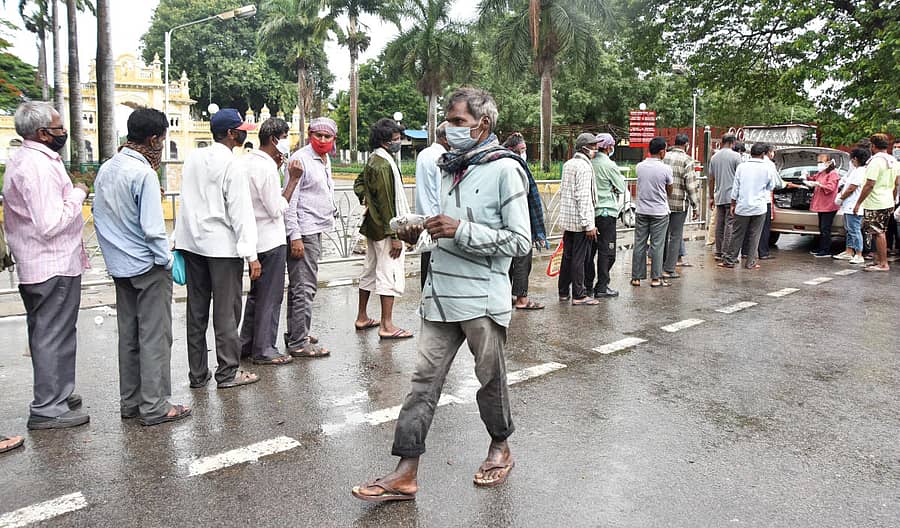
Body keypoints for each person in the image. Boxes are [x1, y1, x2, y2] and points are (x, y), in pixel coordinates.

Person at [351, 87, 531, 502]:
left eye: (458, 121)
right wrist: (418, 232)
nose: (449, 128)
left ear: (483, 124)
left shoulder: (505, 169)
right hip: (440, 295)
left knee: (490, 380)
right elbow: (442, 227)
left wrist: (460, 230)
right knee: (422, 385)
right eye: (448, 120)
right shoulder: (449, 166)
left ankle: (500, 447)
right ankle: (405, 472)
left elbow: (520, 241)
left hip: (482, 299)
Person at [92, 107, 191, 426]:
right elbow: (153, 230)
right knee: (155, 337)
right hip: (148, 267)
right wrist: (166, 261)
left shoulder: (108, 168)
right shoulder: (143, 173)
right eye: (162, 138)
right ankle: (155, 406)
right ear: (153, 139)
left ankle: (131, 402)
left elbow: (100, 216)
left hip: (120, 267)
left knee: (130, 336)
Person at [3, 101, 89, 430]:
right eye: (58, 127)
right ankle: (48, 406)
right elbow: (50, 223)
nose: (63, 132)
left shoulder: (28, 159)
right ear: (42, 133)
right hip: (50, 262)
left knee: (52, 332)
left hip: (44, 262)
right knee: (53, 334)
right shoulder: (37, 166)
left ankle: (58, 394)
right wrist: (78, 194)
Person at [174, 108, 261, 389]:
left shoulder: (193, 158)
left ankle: (198, 374)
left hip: (192, 243)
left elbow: (186, 201)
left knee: (196, 312)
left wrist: (179, 240)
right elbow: (240, 212)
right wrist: (251, 255)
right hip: (222, 248)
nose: (244, 134)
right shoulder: (233, 165)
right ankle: (227, 372)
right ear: (231, 134)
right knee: (226, 313)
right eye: (241, 130)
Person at [236, 118, 302, 364]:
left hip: (253, 237)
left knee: (256, 295)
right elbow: (276, 208)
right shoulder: (266, 168)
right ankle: (264, 349)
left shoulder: (247, 162)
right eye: (285, 137)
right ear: (274, 140)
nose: (287, 142)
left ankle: (247, 343)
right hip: (271, 239)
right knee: (270, 297)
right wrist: (292, 180)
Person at [284, 117, 339, 356]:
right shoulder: (300, 160)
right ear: (310, 135)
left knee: (301, 286)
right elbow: (291, 201)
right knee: (304, 288)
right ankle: (298, 342)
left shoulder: (324, 159)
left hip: (316, 228)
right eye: (319, 135)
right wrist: (295, 235)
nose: (323, 140)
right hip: (304, 231)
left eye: (327, 136)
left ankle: (296, 332)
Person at [353, 118, 412, 339]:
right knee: (389, 272)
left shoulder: (374, 159)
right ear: (385, 141)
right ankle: (387, 325)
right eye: (396, 139)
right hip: (386, 229)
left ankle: (362, 316)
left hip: (373, 226)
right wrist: (395, 235)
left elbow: (359, 184)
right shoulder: (384, 164)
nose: (399, 142)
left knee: (370, 270)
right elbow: (388, 203)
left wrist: (367, 199)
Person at [503, 132, 544, 310]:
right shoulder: (516, 165)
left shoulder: (499, 162)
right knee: (522, 258)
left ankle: (506, 296)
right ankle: (521, 299)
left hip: (503, 219)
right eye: (522, 149)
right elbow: (528, 195)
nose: (524, 153)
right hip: (518, 217)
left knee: (506, 260)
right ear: (512, 149)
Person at [718, 143, 775, 270]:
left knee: (737, 234)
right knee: (755, 235)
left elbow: (735, 188)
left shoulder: (742, 167)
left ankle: (729, 260)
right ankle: (751, 262)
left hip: (742, 206)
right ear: (763, 154)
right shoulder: (767, 168)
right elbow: (771, 186)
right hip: (759, 207)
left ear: (751, 153)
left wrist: (733, 204)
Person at [558, 133, 599, 305]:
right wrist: (589, 224)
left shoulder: (569, 164)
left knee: (567, 256)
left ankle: (563, 291)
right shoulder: (584, 167)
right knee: (579, 258)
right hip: (580, 221)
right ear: (585, 148)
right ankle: (579, 295)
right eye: (593, 146)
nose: (596, 149)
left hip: (568, 219)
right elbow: (583, 197)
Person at [585, 132, 625, 298]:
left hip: (590, 213)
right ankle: (602, 286)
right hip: (606, 213)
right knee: (607, 252)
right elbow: (621, 187)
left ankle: (587, 285)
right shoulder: (609, 165)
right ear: (609, 147)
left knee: (589, 252)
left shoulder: (588, 163)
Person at [631, 137, 673, 287]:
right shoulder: (666, 169)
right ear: (662, 152)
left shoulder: (640, 166)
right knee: (657, 245)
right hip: (659, 212)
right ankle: (656, 278)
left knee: (639, 243)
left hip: (641, 210)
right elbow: (669, 189)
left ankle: (636, 278)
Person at [854, 133, 898, 272]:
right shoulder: (892, 160)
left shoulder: (876, 161)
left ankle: (883, 263)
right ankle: (879, 260)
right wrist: (893, 199)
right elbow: (896, 183)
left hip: (875, 202)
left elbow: (869, 184)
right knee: (878, 231)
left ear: (873, 146)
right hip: (887, 200)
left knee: (878, 232)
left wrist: (858, 203)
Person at [414, 121, 449, 289]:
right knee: (438, 272)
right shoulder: (443, 158)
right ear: (446, 138)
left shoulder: (424, 154)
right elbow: (442, 192)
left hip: (425, 219)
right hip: (439, 220)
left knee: (426, 266)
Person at [662, 134, 699, 279]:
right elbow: (691, 185)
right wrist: (695, 206)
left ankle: (659, 266)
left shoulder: (664, 156)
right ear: (686, 144)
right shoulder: (687, 160)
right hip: (679, 203)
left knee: (662, 236)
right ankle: (669, 269)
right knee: (675, 236)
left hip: (662, 203)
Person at [833, 148, 870, 264]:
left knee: (854, 230)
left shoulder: (860, 171)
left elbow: (851, 188)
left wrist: (841, 198)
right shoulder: (856, 170)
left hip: (854, 205)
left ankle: (859, 254)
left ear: (855, 159)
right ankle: (848, 251)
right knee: (849, 230)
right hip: (849, 205)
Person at [708, 134, 742, 260]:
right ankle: (726, 252)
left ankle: (718, 252)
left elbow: (711, 179)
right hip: (732, 197)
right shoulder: (736, 156)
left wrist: (711, 196)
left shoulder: (714, 157)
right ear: (733, 142)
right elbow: (740, 177)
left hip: (719, 196)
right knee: (730, 225)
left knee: (719, 224)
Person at [805, 153, 841, 257]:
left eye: (821, 162)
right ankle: (821, 247)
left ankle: (825, 250)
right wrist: (806, 177)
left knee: (825, 228)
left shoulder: (833, 174)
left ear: (828, 162)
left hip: (829, 205)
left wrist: (819, 185)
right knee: (821, 227)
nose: (819, 164)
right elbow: (813, 178)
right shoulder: (821, 173)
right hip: (821, 205)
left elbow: (830, 187)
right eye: (818, 162)